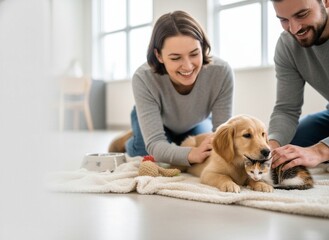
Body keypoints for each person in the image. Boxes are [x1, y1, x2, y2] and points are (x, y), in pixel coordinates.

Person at [109, 11, 234, 166]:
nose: (188, 66)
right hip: (157, 119)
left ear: (202, 47)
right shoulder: (143, 77)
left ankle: (161, 138)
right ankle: (132, 139)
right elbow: (155, 144)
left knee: (207, 149)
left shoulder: (221, 72)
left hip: (194, 122)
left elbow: (221, 135)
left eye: (194, 54)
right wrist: (190, 154)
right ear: (159, 55)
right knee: (146, 152)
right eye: (175, 58)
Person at [268, 0, 329, 171]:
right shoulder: (287, 44)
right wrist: (270, 147)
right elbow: (286, 109)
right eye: (283, 19)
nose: (294, 29)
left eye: (302, 15)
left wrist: (319, 151)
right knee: (289, 150)